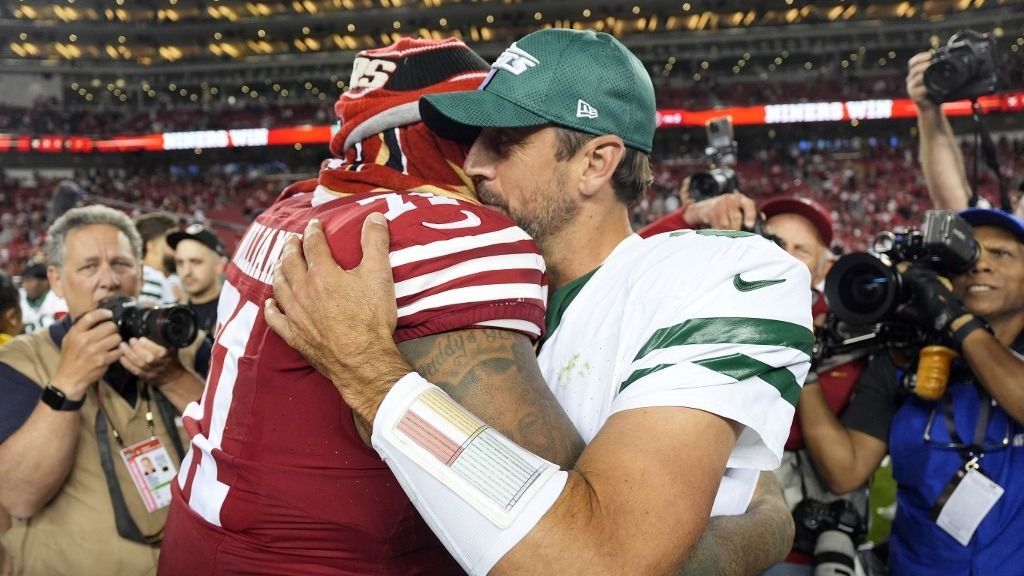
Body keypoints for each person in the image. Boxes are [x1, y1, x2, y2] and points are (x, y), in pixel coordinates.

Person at [266, 28, 812, 575]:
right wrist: (761, 522)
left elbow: (609, 562)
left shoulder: (723, 272)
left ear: (596, 162)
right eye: (472, 140)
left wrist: (372, 377)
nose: (472, 164)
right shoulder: (464, 287)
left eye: (504, 140)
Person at [799, 207, 1024, 575]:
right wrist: (805, 370)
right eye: (970, 254)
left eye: (1001, 254)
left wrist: (955, 319)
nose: (981, 265)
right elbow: (845, 470)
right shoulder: (904, 357)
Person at [0, 205, 208, 576]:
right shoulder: (21, 360)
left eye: (121, 265)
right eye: (88, 267)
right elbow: (19, 497)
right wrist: (68, 383)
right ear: (57, 281)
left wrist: (173, 377)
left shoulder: (188, 345)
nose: (109, 280)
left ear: (141, 274)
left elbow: (247, 453)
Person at [758, 197, 869, 575]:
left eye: (800, 250)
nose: (784, 258)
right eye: (773, 243)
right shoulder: (711, 314)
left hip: (803, 538)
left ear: (826, 267)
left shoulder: (854, 335)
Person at [167, 224, 226, 334]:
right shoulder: (170, 314)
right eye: (180, 263)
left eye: (195, 262)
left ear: (219, 266)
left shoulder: (234, 315)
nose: (186, 272)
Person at [134, 212, 180, 307]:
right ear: (152, 246)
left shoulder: (155, 277)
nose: (178, 247)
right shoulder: (150, 278)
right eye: (172, 242)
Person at [18, 263, 66, 334]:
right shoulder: (19, 297)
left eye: (29, 281)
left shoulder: (57, 297)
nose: (25, 285)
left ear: (45, 282)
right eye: (23, 281)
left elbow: (64, 326)